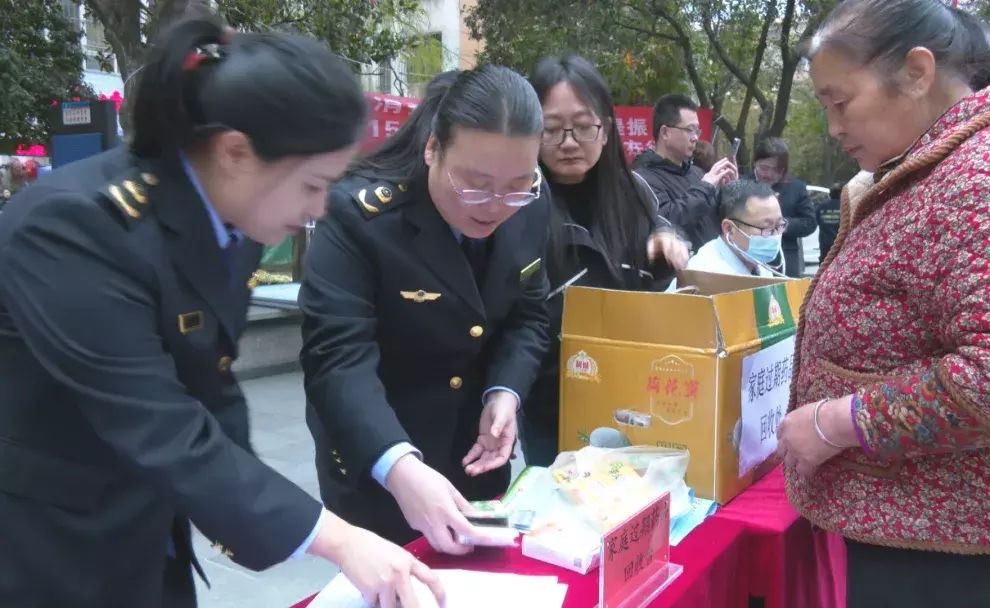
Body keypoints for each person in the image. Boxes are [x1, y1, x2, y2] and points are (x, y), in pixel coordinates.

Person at [0, 14, 445, 608]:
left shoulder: (231, 213)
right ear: (235, 151)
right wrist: (337, 540)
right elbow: (159, 423)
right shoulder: (75, 229)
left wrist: (253, 517)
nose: (319, 209)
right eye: (313, 184)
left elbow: (211, 384)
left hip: (151, 524)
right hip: (49, 543)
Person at [776, 1, 990, 607]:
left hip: (945, 536)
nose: (833, 127)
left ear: (916, 72)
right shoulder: (947, 162)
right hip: (922, 516)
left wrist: (836, 423)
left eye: (840, 102)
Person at [300, 65, 551, 553]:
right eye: (475, 184)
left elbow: (528, 315)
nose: (495, 205)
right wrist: (397, 466)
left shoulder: (532, 203)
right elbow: (337, 358)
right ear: (433, 148)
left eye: (517, 184)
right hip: (379, 458)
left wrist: (505, 393)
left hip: (476, 454)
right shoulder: (361, 216)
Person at [522, 55, 690, 467]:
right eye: (551, 129)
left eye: (583, 126)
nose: (568, 142)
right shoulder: (517, 202)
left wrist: (665, 243)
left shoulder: (634, 193)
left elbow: (653, 264)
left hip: (630, 391)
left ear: (607, 129)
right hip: (552, 398)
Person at [631, 93, 738, 250]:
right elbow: (667, 220)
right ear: (665, 132)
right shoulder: (641, 179)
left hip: (715, 260)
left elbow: (722, 215)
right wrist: (705, 187)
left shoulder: (697, 173)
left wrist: (732, 189)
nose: (695, 138)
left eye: (697, 131)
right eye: (690, 130)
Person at [666, 180, 785, 291]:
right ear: (729, 229)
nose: (775, 235)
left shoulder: (758, 263)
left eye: (779, 225)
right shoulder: (704, 275)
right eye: (766, 227)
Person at [749, 137, 816, 277]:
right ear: (755, 163)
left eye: (776, 170)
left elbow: (809, 222)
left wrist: (782, 225)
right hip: (748, 257)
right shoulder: (741, 183)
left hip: (785, 259)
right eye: (764, 168)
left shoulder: (796, 187)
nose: (769, 174)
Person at [815, 181, 843, 261]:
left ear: (830, 194)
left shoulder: (821, 207)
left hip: (825, 243)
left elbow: (817, 221)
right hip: (841, 243)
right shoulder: (846, 207)